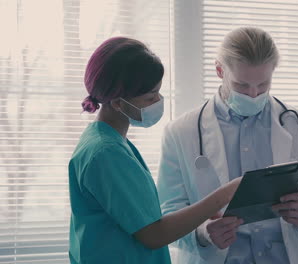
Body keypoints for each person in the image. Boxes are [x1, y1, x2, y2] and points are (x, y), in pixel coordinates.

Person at [157, 27, 298, 264]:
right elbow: (167, 213)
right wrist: (202, 234)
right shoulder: (181, 132)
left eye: (263, 85)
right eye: (242, 85)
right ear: (220, 70)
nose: (253, 94)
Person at [68, 37, 241, 264]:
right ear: (119, 103)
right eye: (150, 97)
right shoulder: (106, 153)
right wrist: (227, 193)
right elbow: (154, 234)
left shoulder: (108, 141)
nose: (158, 100)